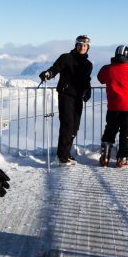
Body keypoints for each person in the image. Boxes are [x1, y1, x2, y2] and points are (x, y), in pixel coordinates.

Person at [39, 35, 93, 165]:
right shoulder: (66, 58)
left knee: (75, 126)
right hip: (66, 95)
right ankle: (61, 156)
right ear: (76, 45)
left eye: (85, 45)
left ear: (88, 48)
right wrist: (48, 74)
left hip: (78, 97)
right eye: (80, 44)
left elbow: (86, 80)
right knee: (67, 124)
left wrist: (88, 90)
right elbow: (55, 69)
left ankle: (66, 153)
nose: (82, 47)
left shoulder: (88, 64)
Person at [96, 45, 128, 167]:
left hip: (113, 106)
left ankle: (105, 156)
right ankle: (122, 157)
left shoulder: (107, 69)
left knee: (110, 129)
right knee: (126, 131)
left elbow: (100, 78)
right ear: (127, 55)